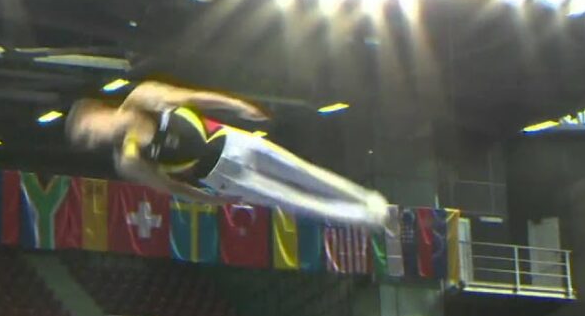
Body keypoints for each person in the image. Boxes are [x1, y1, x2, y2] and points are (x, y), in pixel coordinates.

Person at [66, 81, 388, 227]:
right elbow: (170, 187)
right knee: (290, 200)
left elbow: (193, 97)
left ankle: (365, 197)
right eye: (88, 141)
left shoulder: (142, 98)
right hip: (221, 178)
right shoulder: (127, 160)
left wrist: (236, 105)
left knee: (301, 170)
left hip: (232, 140)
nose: (94, 139)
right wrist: (208, 201)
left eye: (89, 131)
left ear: (97, 112)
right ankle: (365, 217)